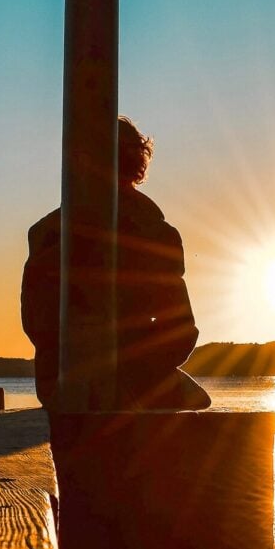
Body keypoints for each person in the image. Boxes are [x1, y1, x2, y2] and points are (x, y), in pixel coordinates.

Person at [21, 116, 211, 410]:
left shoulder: (45, 231)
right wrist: (141, 368)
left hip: (57, 384)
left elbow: (35, 322)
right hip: (134, 382)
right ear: (137, 163)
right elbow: (180, 331)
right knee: (200, 404)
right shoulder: (157, 233)